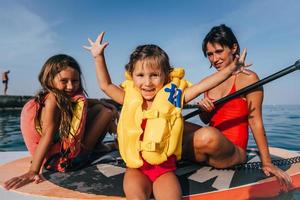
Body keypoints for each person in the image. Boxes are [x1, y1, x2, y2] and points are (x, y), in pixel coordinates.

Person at [84, 32, 247, 200]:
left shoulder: (173, 97)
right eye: (140, 75)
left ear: (165, 76)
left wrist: (230, 70)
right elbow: (106, 85)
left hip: (164, 170)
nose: (147, 83)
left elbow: (199, 87)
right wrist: (98, 57)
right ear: (132, 76)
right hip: (136, 169)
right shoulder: (128, 97)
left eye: (154, 75)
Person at [182, 24, 292, 190]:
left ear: (233, 48)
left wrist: (267, 163)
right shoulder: (210, 81)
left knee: (206, 135)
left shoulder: (248, 79)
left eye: (219, 51)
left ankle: (177, 152)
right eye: (210, 54)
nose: (214, 59)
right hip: (212, 143)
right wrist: (205, 109)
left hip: (233, 151)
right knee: (174, 124)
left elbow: (256, 122)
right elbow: (207, 120)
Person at [4, 54, 117, 190]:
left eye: (75, 81)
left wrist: (103, 103)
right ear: (49, 79)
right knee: (106, 112)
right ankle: (104, 147)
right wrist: (33, 171)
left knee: (102, 107)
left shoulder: (61, 97)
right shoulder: (52, 100)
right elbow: (47, 135)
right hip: (66, 162)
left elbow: (86, 102)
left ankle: (102, 147)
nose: (70, 86)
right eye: (64, 81)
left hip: (64, 156)